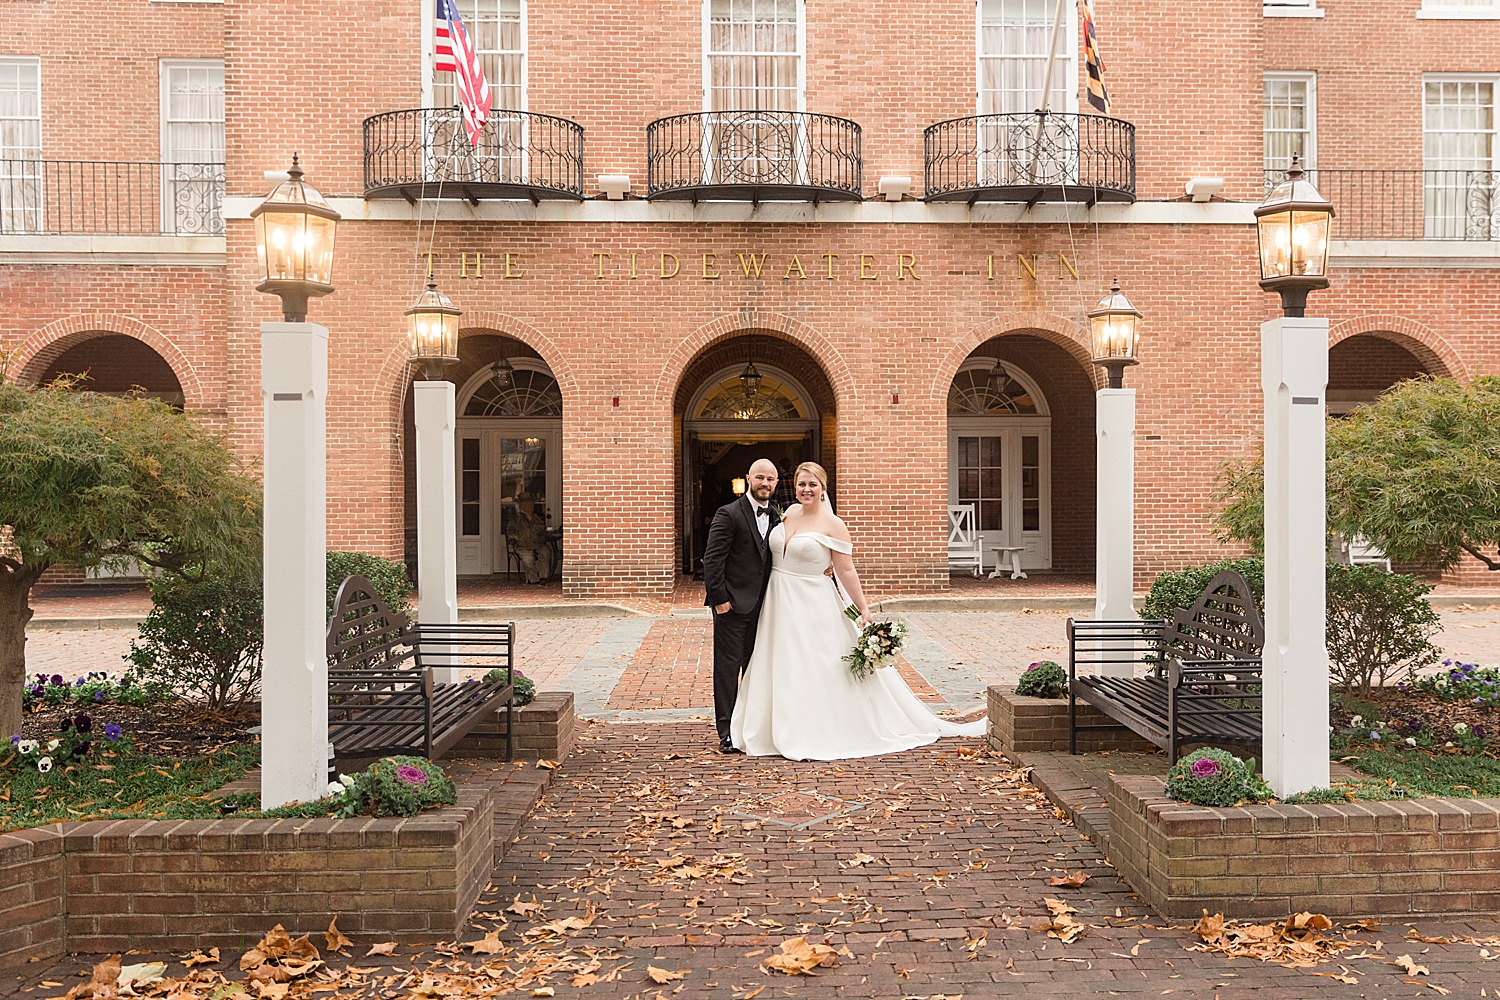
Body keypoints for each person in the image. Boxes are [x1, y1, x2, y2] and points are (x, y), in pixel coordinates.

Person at [730, 462, 987, 760]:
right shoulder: (787, 514)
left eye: (813, 484)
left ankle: (813, 729)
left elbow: (846, 569)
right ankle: (771, 729)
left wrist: (863, 607)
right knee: (779, 661)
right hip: (777, 601)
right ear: (794, 487)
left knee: (813, 663)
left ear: (823, 488)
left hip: (813, 604)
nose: (806, 489)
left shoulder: (833, 524)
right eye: (801, 484)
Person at [701, 458, 780, 754]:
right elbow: (712, 560)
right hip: (732, 607)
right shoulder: (729, 513)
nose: (765, 484)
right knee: (727, 670)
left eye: (770, 479)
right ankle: (727, 732)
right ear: (748, 478)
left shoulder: (776, 517)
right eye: (760, 477)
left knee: (756, 669)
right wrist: (720, 601)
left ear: (776, 482)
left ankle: (750, 727)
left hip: (765, 608)